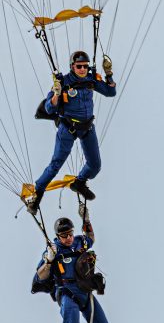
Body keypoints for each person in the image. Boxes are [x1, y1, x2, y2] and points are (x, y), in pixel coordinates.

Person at [26, 50, 116, 212]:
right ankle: (37, 194)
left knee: (95, 166)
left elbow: (111, 92)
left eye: (85, 67)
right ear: (72, 67)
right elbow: (48, 108)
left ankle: (79, 183)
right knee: (55, 165)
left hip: (87, 127)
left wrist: (108, 74)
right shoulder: (63, 83)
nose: (83, 69)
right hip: (68, 129)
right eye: (79, 66)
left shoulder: (90, 79)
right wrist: (56, 94)